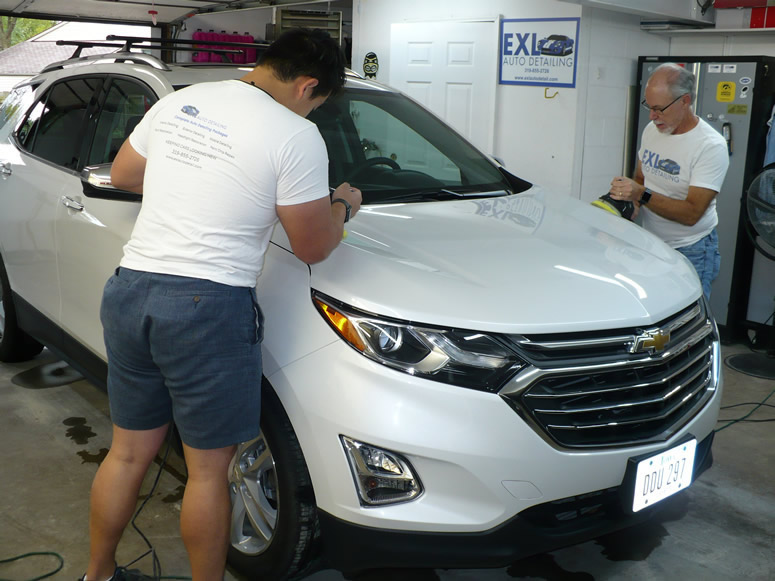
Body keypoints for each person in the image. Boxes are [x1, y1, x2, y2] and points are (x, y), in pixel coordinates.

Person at [81, 28, 361, 581]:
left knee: (128, 454)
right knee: (210, 473)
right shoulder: (295, 134)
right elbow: (312, 246)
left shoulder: (183, 100)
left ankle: (98, 575)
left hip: (131, 290)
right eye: (320, 102)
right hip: (205, 307)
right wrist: (341, 207)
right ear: (309, 86)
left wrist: (194, 179)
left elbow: (123, 174)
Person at [609, 62, 729, 299]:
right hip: (652, 243)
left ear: (685, 101)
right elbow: (642, 177)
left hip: (691, 248)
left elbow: (691, 214)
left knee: (686, 317)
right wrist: (629, 203)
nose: (652, 116)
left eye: (659, 108)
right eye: (649, 107)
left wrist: (640, 194)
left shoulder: (709, 146)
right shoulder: (653, 130)